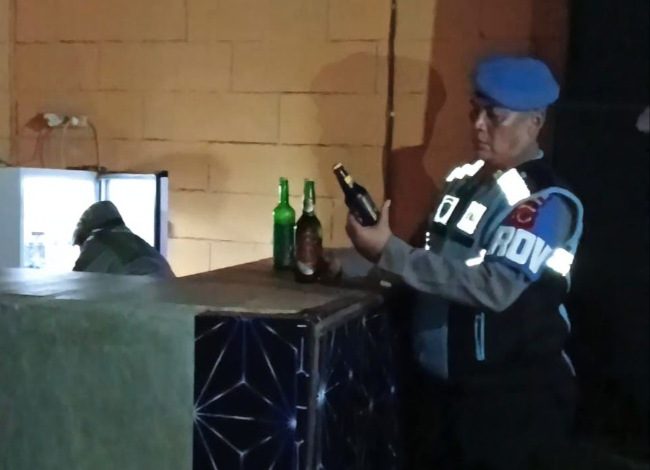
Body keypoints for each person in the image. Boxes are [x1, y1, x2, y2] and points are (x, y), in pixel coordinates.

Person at [341, 56, 584, 469]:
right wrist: (353, 267)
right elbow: (428, 261)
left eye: (495, 116)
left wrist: (388, 252)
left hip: (509, 400)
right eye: (475, 111)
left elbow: (494, 286)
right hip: (441, 394)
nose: (478, 125)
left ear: (534, 123)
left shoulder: (542, 201)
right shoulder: (464, 181)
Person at [72, 200, 175, 278]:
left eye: (81, 244)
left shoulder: (98, 241)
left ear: (85, 234)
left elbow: (78, 282)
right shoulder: (139, 244)